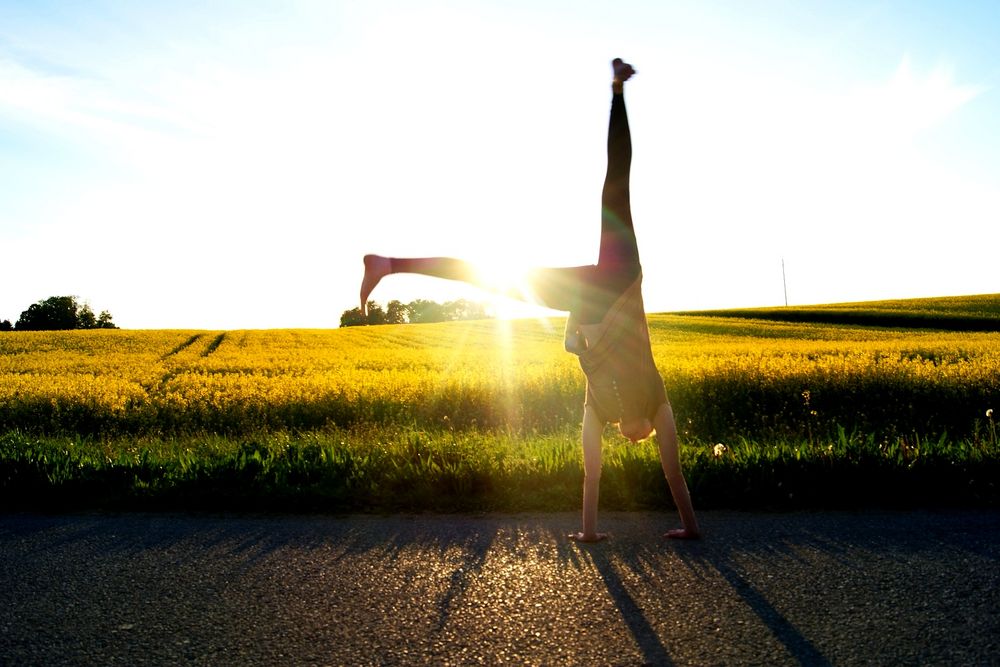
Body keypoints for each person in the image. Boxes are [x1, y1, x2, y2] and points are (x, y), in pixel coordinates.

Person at [360, 58, 700, 541]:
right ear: (650, 425)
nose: (632, 435)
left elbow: (591, 472)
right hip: (622, 281)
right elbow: (674, 472)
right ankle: (618, 90)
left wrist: (587, 533)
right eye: (642, 434)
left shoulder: (599, 409)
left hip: (588, 299)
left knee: (495, 280)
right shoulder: (655, 396)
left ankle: (389, 265)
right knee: (616, 185)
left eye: (631, 436)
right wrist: (690, 527)